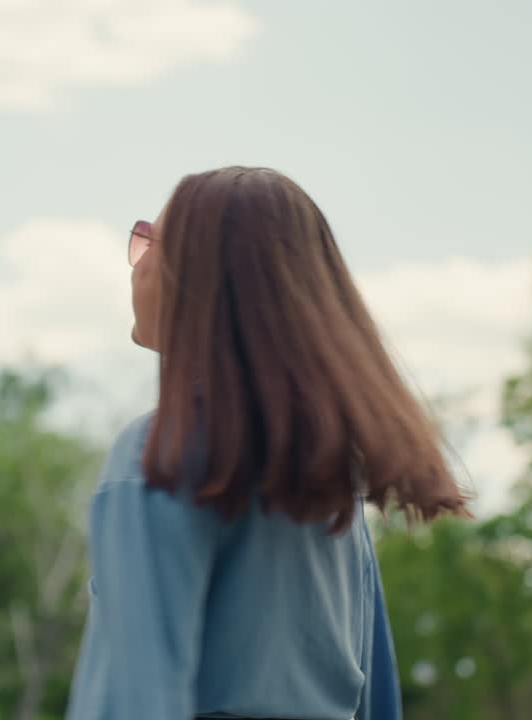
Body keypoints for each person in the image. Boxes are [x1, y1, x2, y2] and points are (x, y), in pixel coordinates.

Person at [64, 167, 470, 720]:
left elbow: (131, 699)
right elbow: (377, 700)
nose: (135, 265)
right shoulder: (331, 467)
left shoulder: (154, 455)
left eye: (148, 243)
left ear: (197, 277)